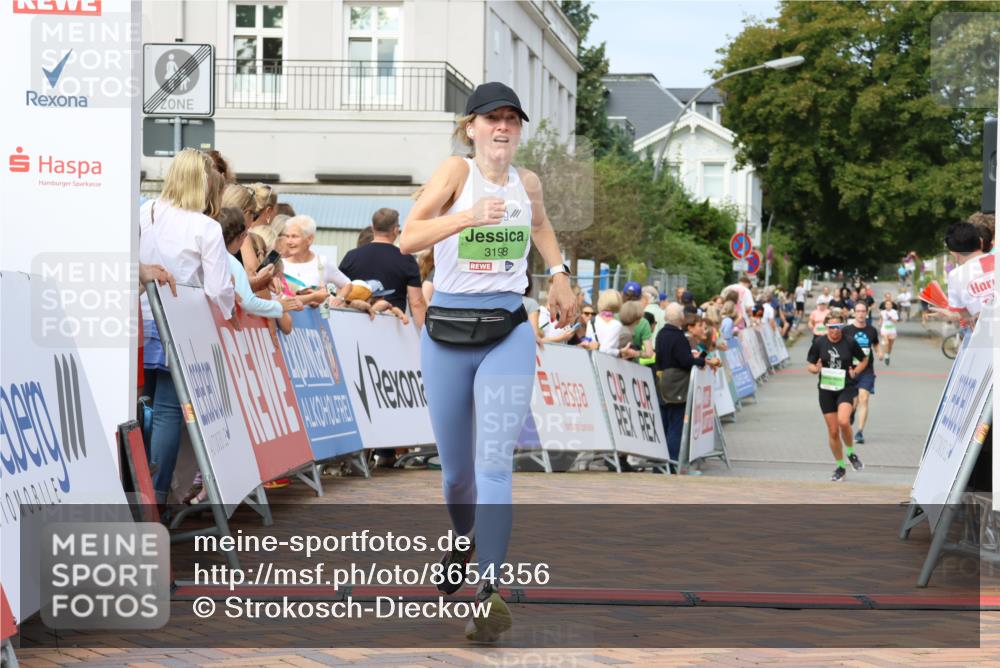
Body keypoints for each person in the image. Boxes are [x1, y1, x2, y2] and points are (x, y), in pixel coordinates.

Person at [398, 81, 575, 642]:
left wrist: (561, 273)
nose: (502, 128)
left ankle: (488, 592)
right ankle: (461, 538)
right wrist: (467, 218)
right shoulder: (456, 173)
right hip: (447, 332)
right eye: (491, 119)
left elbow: (541, 225)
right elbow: (408, 238)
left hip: (507, 331)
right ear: (470, 127)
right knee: (456, 477)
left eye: (512, 120)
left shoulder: (528, 183)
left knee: (495, 464)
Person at [139, 149, 236, 506]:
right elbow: (219, 290)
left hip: (140, 318)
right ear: (206, 183)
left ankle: (136, 487)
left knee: (138, 409)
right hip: (179, 326)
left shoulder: (143, 213)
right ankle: (158, 495)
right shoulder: (206, 227)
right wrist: (229, 312)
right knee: (167, 413)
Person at [655, 303, 721, 472]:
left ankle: (661, 465)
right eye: (700, 326)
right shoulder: (679, 337)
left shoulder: (662, 334)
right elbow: (686, 360)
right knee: (677, 425)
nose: (703, 329)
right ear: (683, 319)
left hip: (662, 383)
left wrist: (704, 358)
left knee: (665, 424)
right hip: (677, 386)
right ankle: (673, 464)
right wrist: (702, 361)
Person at [337, 207, 427, 329]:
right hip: (391, 327)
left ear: (373, 228)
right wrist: (425, 333)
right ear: (396, 230)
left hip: (354, 325)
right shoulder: (406, 260)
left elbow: (338, 292)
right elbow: (416, 303)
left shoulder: (351, 256)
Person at [807, 310, 868, 482]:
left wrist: (856, 371)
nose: (835, 331)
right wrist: (816, 369)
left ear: (842, 326)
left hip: (845, 387)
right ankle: (841, 466)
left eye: (838, 327)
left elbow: (863, 360)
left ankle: (850, 453)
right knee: (833, 431)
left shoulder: (849, 342)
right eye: (831, 327)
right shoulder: (819, 342)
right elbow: (810, 365)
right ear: (826, 326)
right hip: (826, 390)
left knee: (843, 421)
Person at [281, 215, 351, 307]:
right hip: (286, 319)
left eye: (294, 236)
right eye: (287, 236)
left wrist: (337, 300)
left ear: (309, 239)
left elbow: (347, 284)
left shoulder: (322, 262)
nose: (289, 241)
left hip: (315, 320)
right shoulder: (280, 264)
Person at [843, 302, 880, 446]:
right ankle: (851, 413)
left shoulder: (871, 330)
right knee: (853, 402)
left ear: (867, 312)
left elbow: (876, 343)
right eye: (858, 311)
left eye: (863, 311)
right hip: (850, 370)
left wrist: (880, 351)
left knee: (864, 399)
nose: (860, 314)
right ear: (854, 313)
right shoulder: (847, 330)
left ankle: (859, 432)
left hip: (867, 370)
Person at [592, 289, 639, 359]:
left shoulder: (592, 321)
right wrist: (619, 352)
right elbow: (605, 350)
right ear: (618, 302)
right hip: (606, 363)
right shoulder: (616, 324)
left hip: (591, 361)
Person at [878, 293, 899, 366]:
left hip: (892, 330)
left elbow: (896, 321)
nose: (888, 306)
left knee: (890, 345)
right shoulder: (882, 312)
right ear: (885, 305)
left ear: (891, 305)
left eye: (889, 305)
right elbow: (881, 318)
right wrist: (880, 322)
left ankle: (887, 355)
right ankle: (886, 355)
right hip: (884, 329)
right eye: (887, 305)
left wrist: (891, 318)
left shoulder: (894, 312)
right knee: (886, 342)